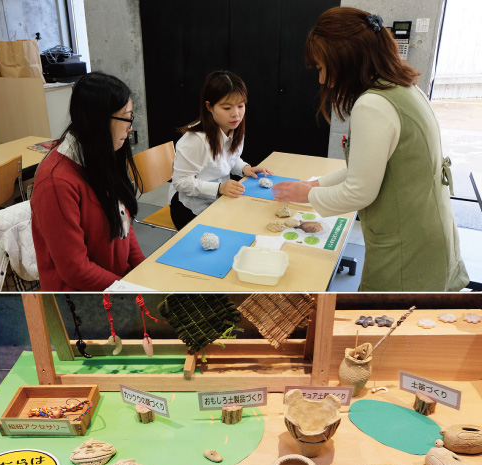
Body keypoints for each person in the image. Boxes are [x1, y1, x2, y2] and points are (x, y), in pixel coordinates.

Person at [273, 7, 467, 291]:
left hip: (407, 246)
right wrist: (317, 183)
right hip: (430, 230)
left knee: (385, 321)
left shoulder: (373, 105)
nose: (322, 80)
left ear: (346, 60)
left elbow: (360, 191)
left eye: (322, 67)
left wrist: (308, 194)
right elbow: (367, 168)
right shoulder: (405, 89)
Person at [29, 73, 145, 291]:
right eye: (126, 118)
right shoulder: (56, 182)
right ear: (99, 121)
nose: (130, 127)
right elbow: (76, 271)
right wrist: (130, 288)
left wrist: (143, 273)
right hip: (81, 299)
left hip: (115, 285)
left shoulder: (100, 154)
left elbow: (124, 224)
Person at [168, 70, 271, 229]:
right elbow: (180, 182)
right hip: (190, 208)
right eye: (227, 107)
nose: (236, 114)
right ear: (209, 106)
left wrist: (245, 168)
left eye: (241, 106)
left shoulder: (233, 128)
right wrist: (219, 188)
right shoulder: (195, 141)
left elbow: (231, 158)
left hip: (219, 199)